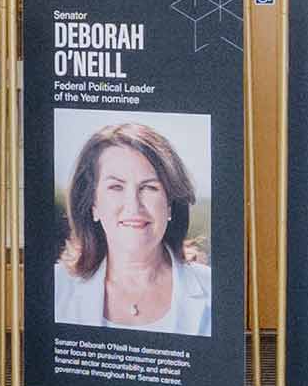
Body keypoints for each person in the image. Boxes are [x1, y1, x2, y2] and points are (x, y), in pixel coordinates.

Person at [51, 120, 214, 336]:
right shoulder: (56, 288)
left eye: (149, 187)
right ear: (93, 206)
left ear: (170, 204)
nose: (133, 205)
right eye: (116, 187)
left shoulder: (214, 291)